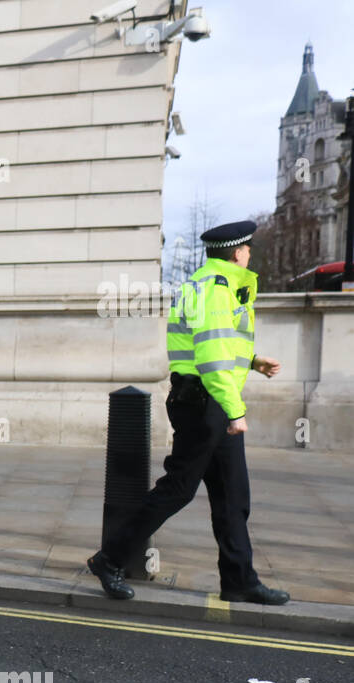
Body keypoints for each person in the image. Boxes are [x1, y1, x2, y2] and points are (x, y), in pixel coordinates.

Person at [88, 219, 290, 606]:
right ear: (237, 253)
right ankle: (108, 559)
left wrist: (251, 361)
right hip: (205, 404)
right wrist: (235, 412)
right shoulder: (216, 289)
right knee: (177, 491)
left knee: (234, 496)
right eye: (247, 249)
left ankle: (239, 580)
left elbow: (216, 345)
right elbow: (212, 358)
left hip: (209, 399)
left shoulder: (211, 284)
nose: (249, 254)